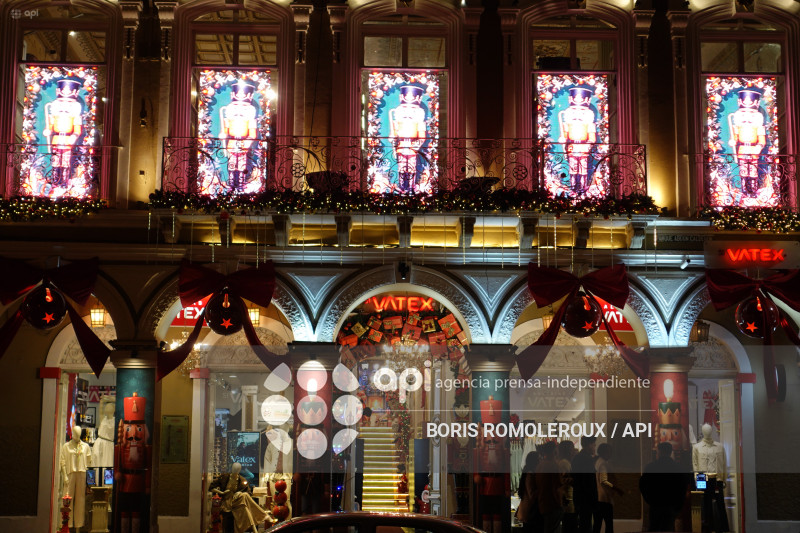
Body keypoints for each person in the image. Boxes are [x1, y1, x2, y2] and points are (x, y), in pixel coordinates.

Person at [640, 442, 691, 532]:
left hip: (656, 503)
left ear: (659, 452)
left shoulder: (651, 467)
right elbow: (682, 487)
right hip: (671, 504)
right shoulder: (678, 468)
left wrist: (650, 500)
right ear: (670, 452)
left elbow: (643, 485)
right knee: (668, 527)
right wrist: (678, 505)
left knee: (654, 527)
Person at [44, 78, 84, 187]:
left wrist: (74, 136)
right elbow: (50, 127)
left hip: (67, 141)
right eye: (62, 102)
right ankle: (55, 181)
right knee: (55, 161)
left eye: (68, 102)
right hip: (57, 140)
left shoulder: (76, 117)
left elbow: (77, 130)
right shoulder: (53, 115)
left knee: (65, 162)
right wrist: (48, 130)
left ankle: (64, 182)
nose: (64, 105)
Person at [220, 80, 259, 191]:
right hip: (232, 142)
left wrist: (246, 142)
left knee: (242, 163)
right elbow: (225, 131)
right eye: (236, 106)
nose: (239, 110)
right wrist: (223, 135)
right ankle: (232, 181)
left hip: (243, 143)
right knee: (232, 163)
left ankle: (241, 182)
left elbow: (252, 134)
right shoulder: (229, 117)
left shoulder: (251, 119)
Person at [558, 86, 597, 194]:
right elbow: (564, 135)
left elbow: (592, 138)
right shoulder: (568, 123)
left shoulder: (589, 124)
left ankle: (583, 188)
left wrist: (588, 145)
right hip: (572, 146)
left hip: (583, 147)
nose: (578, 115)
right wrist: (563, 139)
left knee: (583, 168)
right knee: (573, 168)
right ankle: (574, 188)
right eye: (575, 111)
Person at [209, 462, 268, 533]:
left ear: (239, 470)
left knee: (244, 500)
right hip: (226, 506)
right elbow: (211, 487)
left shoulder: (242, 480)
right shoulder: (224, 477)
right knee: (227, 526)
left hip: (237, 505)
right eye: (234, 468)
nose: (235, 470)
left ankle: (260, 519)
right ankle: (262, 517)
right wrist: (222, 493)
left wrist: (239, 494)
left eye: (237, 469)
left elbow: (248, 493)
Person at [389, 85, 427, 193]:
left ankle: (410, 189)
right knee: (401, 168)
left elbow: (422, 135)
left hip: (412, 147)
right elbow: (394, 134)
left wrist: (417, 144)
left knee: (411, 168)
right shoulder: (398, 119)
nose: (408, 112)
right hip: (401, 146)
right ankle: (402, 188)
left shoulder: (419, 120)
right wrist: (392, 136)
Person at [728, 89, 766, 197]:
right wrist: (733, 141)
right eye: (744, 113)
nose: (747, 117)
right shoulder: (737, 127)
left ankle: (753, 190)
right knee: (743, 170)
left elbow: (762, 140)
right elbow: (734, 138)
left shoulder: (759, 127)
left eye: (750, 114)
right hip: (743, 149)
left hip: (754, 150)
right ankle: (744, 190)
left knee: (753, 171)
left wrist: (759, 146)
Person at [60, 424, 92, 529]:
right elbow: (62, 462)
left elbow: (89, 461)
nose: (77, 436)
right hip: (70, 473)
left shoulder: (85, 446)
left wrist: (89, 477)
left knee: (80, 499)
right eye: (75, 434)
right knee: (67, 498)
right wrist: (64, 475)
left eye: (79, 434)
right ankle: (67, 524)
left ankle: (78, 525)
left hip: (81, 473)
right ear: (72, 434)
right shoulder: (66, 446)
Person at [535, 441, 564, 533]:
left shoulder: (540, 465)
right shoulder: (553, 466)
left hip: (543, 503)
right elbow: (556, 487)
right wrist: (560, 503)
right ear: (554, 451)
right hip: (552, 504)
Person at [594, 443, 624, 533]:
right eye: (609, 452)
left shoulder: (598, 462)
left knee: (597, 524)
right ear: (605, 452)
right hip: (605, 499)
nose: (610, 454)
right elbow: (604, 481)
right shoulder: (603, 464)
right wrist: (615, 488)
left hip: (598, 498)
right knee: (609, 525)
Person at [572, 436, 598, 533]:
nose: (594, 447)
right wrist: (594, 499)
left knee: (583, 523)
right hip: (586, 499)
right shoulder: (587, 459)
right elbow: (589, 482)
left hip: (579, 497)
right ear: (588, 445)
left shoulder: (577, 458)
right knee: (586, 525)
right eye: (593, 445)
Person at [517, 451, 542, 532]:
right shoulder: (530, 474)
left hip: (529, 510)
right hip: (530, 511)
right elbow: (531, 494)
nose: (540, 461)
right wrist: (542, 488)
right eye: (538, 459)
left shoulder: (529, 473)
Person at [558, 440, 577, 533]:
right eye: (572, 449)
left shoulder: (564, 462)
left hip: (567, 499)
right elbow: (564, 481)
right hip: (568, 500)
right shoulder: (564, 463)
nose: (573, 451)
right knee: (569, 525)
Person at [92, 399, 115, 467]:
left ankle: (106, 477)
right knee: (97, 463)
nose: (106, 408)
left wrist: (109, 397)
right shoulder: (103, 418)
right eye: (106, 407)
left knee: (108, 464)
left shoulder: (115, 420)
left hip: (109, 444)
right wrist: (104, 399)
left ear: (113, 409)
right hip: (99, 443)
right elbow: (101, 404)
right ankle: (97, 477)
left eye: (108, 407)